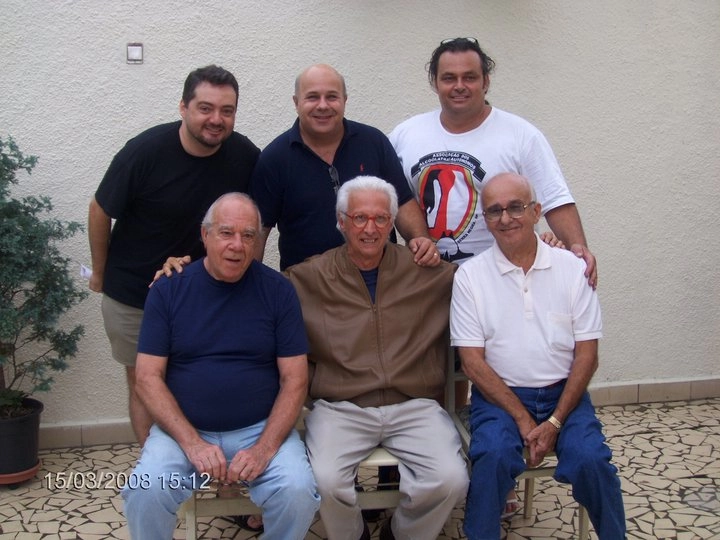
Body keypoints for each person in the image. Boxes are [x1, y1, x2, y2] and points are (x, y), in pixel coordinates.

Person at [122, 193, 320, 540]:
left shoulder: (278, 291)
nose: (237, 245)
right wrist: (192, 443)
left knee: (298, 491)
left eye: (248, 235)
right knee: (146, 488)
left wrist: (264, 448)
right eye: (226, 233)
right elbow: (147, 378)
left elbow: (295, 381)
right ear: (205, 236)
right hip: (182, 431)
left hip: (261, 428)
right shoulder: (168, 289)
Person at [285, 176, 469, 540]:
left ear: (392, 222)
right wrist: (182, 273)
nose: (370, 229)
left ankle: (400, 534)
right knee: (324, 480)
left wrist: (541, 248)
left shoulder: (426, 271)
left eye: (381, 219)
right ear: (341, 221)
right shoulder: (307, 278)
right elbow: (250, 289)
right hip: (342, 407)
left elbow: (488, 281)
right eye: (359, 218)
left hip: (414, 404)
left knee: (450, 479)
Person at [88, 65, 260, 446]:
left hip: (202, 292)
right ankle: (158, 471)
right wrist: (99, 274)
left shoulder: (245, 156)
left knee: (200, 376)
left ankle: (203, 461)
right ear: (183, 107)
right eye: (205, 108)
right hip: (134, 294)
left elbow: (257, 222)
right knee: (144, 383)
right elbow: (101, 209)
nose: (216, 119)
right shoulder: (144, 151)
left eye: (227, 110)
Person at [450, 173, 625, 540]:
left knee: (592, 461)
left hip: (566, 397)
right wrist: (522, 419)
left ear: (536, 212)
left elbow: (587, 356)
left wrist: (556, 421)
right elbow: (472, 363)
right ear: (485, 219)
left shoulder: (573, 269)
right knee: (493, 457)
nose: (506, 218)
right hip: (499, 399)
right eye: (494, 211)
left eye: (516, 207)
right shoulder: (470, 277)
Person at [389, 37, 597, 287]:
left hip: (503, 281)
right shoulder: (405, 135)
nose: (459, 86)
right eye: (449, 78)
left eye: (470, 77)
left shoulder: (520, 135)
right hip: (427, 281)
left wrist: (578, 251)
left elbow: (555, 200)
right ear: (434, 83)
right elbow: (393, 200)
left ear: (485, 81)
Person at [250, 63, 440, 270]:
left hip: (382, 281)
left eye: (332, 97)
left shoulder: (373, 143)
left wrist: (421, 240)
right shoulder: (275, 158)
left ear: (345, 100)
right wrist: (250, 287)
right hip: (309, 287)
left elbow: (403, 202)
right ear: (296, 102)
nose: (323, 105)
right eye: (312, 97)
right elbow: (259, 230)